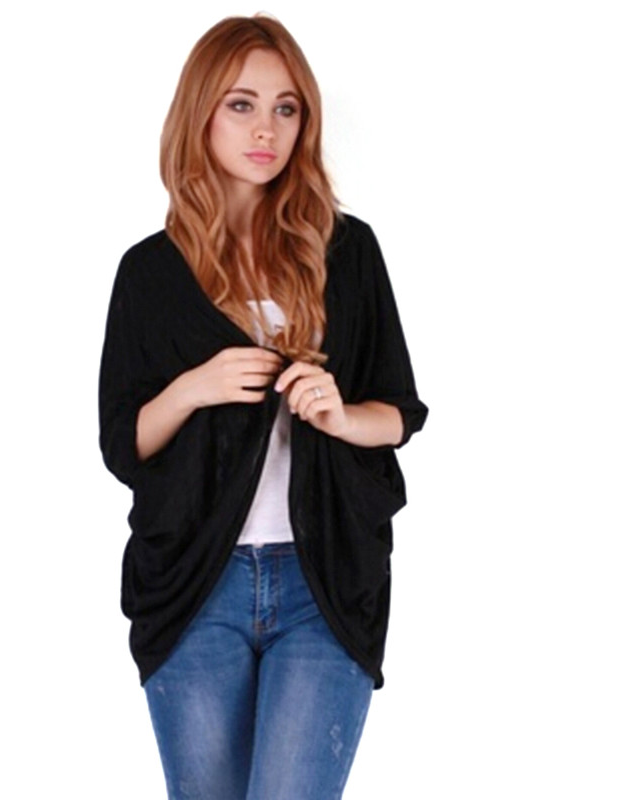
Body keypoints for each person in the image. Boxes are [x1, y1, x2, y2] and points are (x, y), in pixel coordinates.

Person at [99, 13, 428, 800]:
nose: (266, 129)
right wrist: (194, 387)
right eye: (241, 104)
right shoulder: (150, 273)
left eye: (287, 108)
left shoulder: (347, 251)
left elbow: (400, 413)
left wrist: (342, 416)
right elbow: (123, 444)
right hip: (194, 588)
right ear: (201, 113)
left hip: (324, 585)